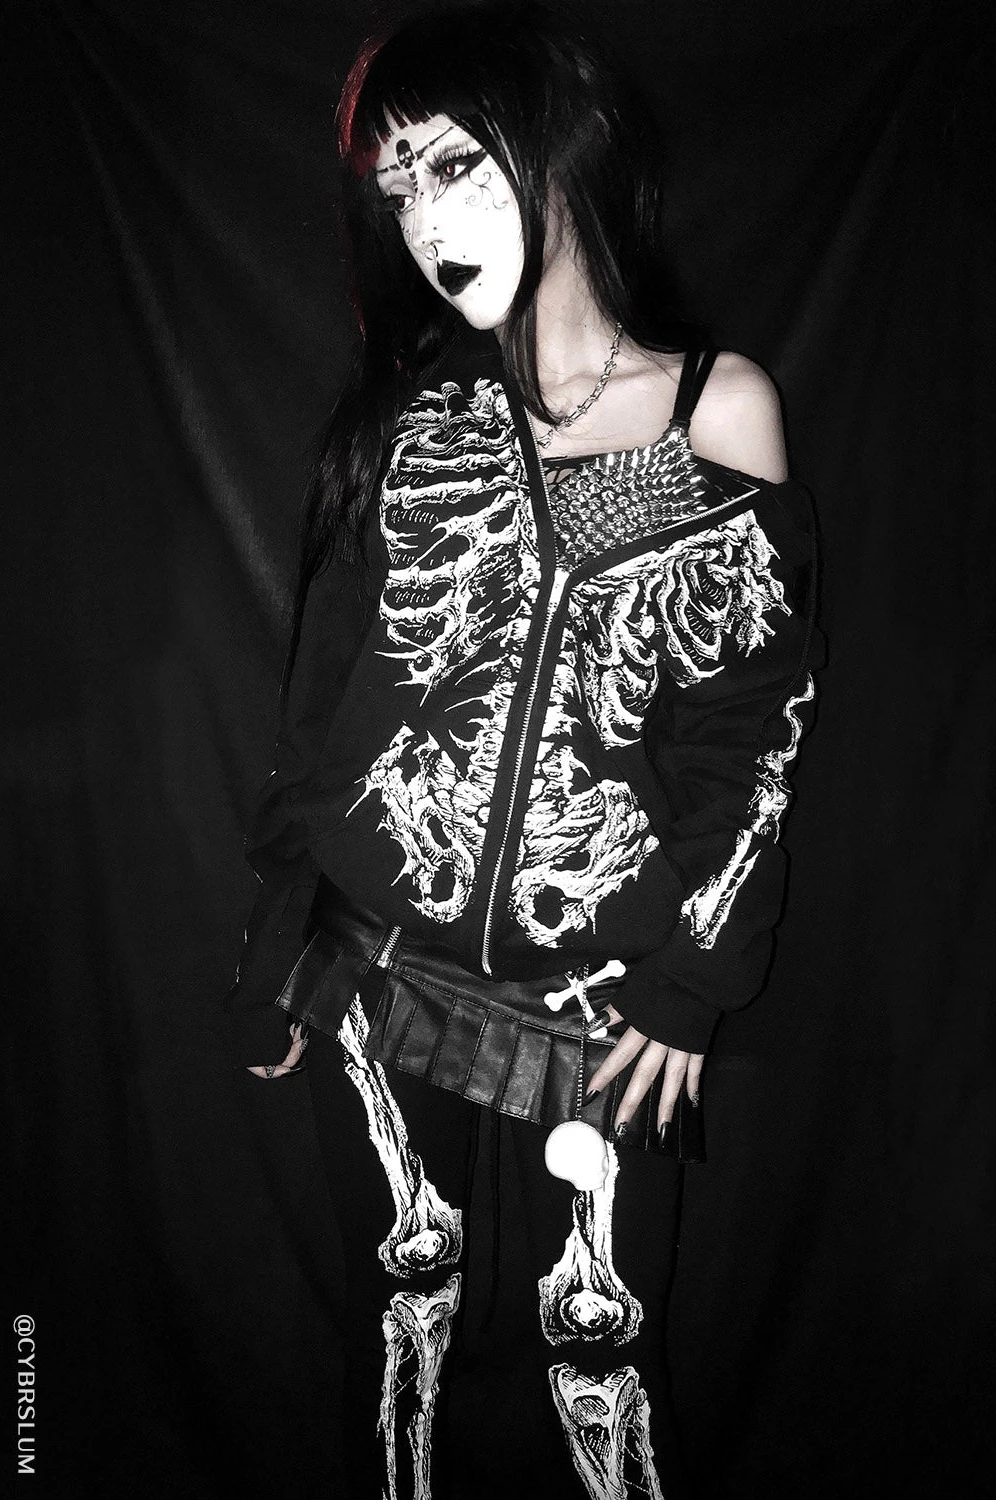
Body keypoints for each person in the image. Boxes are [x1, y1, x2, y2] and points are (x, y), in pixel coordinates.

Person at [223, 4, 820, 1496]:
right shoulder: (417, 422)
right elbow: (326, 699)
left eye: (451, 164)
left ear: (557, 144)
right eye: (396, 189)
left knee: (603, 1367)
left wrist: (694, 979)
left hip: (598, 994)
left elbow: (751, 733)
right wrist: (284, 930)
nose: (424, 222)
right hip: (380, 961)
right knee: (393, 1321)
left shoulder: (713, 412)